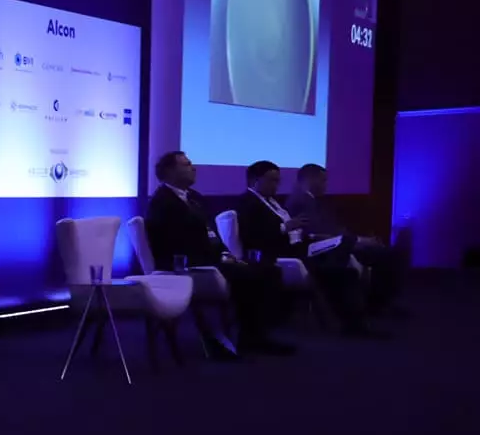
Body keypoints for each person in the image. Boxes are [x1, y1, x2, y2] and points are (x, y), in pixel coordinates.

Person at [145, 150, 292, 355]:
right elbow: (171, 241)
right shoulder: (161, 202)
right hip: (186, 263)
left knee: (268, 270)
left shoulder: (195, 197)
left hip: (210, 257)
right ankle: (250, 337)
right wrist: (216, 257)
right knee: (248, 275)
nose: (193, 168)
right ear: (170, 171)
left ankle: (257, 334)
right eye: (186, 165)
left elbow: (210, 232)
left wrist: (225, 252)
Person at [235, 161, 374, 336]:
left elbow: (293, 230)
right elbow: (252, 236)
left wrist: (309, 236)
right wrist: (285, 227)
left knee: (342, 253)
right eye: (272, 180)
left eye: (278, 181)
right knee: (341, 270)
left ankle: (353, 320)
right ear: (255, 180)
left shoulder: (273, 202)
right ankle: (352, 325)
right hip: (280, 253)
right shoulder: (248, 202)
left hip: (299, 246)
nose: (276, 185)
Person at [288, 162, 403, 313]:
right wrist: (358, 240)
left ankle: (378, 303)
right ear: (310, 179)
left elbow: (332, 229)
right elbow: (317, 233)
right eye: (323, 180)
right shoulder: (301, 203)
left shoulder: (311, 201)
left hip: (336, 243)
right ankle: (377, 306)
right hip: (326, 250)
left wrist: (357, 238)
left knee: (382, 252)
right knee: (385, 255)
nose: (326, 184)